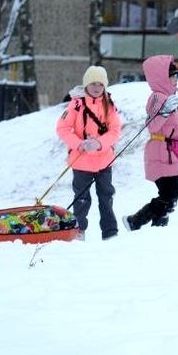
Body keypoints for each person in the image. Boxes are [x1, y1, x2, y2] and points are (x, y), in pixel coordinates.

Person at [55, 65, 123, 240]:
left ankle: (110, 232)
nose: (97, 87)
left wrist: (99, 144)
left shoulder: (110, 105)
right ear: (86, 84)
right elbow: (62, 128)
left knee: (106, 197)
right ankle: (78, 231)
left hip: (104, 161)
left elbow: (115, 130)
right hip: (81, 161)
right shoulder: (76, 105)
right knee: (81, 199)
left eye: (100, 84)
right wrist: (79, 144)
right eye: (93, 83)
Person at [122, 55, 178, 230]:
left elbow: (176, 129)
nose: (176, 79)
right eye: (173, 76)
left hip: (170, 153)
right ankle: (136, 221)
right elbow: (152, 126)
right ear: (162, 78)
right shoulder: (158, 97)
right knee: (171, 193)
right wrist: (164, 112)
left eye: (177, 75)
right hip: (160, 152)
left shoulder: (171, 96)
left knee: (170, 195)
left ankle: (157, 228)